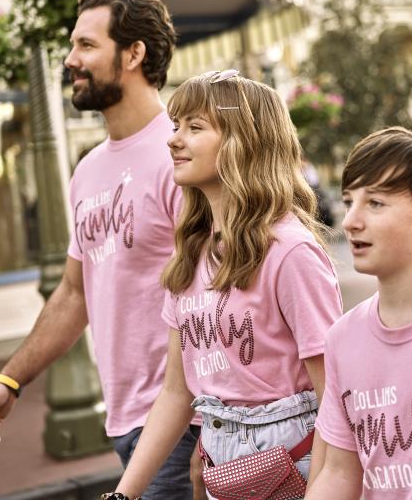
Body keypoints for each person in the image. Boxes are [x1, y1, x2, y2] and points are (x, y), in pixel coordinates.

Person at [0, 0, 200, 499]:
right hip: (123, 421)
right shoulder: (89, 170)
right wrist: (8, 380)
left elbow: (221, 295)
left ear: (133, 54)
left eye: (86, 45)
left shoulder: (179, 159)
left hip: (184, 425)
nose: (70, 59)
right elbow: (75, 294)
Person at [102, 70, 343, 500]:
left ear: (243, 143)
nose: (174, 140)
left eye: (195, 128)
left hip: (295, 461)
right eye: (176, 126)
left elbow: (335, 400)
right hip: (221, 464)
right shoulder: (190, 257)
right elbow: (176, 393)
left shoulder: (290, 253)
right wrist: (123, 495)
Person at [306, 126, 412, 500]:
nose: (350, 221)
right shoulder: (342, 338)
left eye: (376, 203)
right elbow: (339, 470)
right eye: (349, 202)